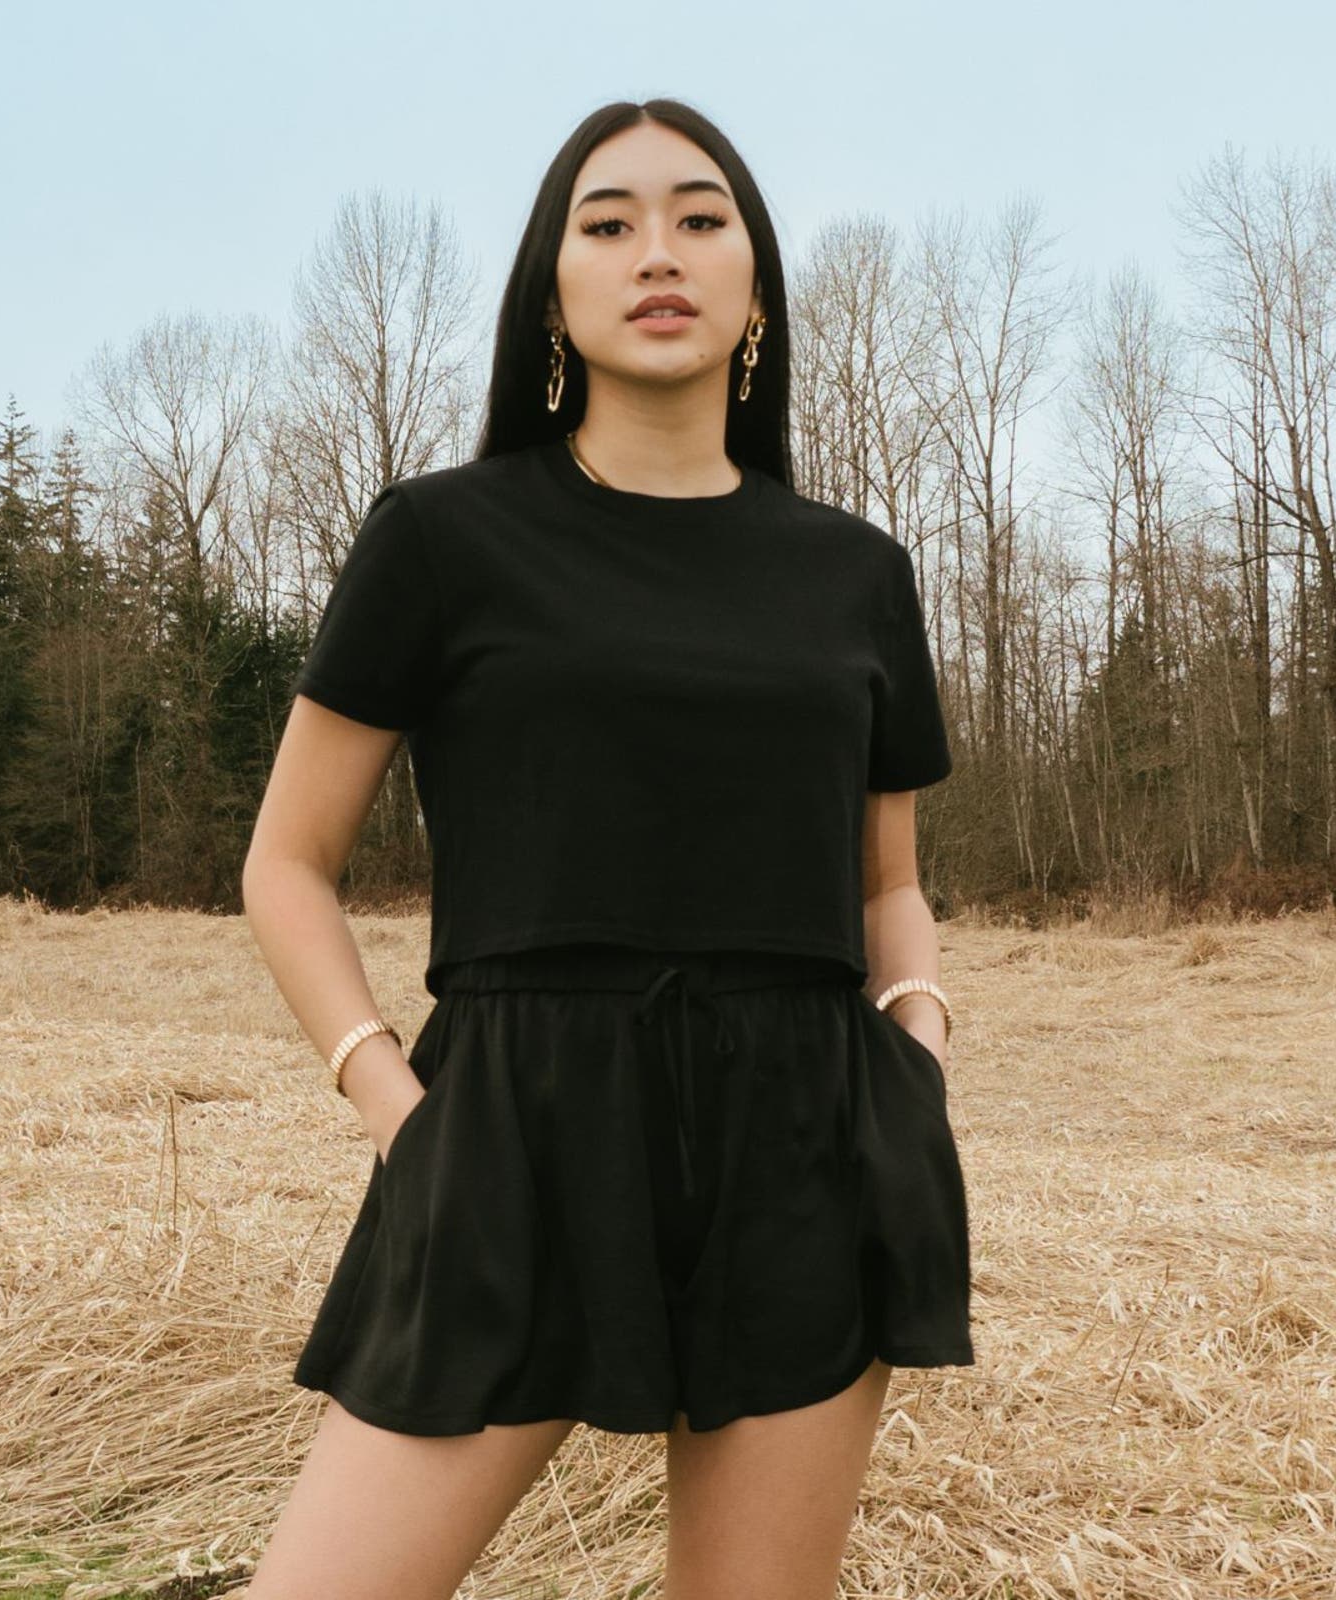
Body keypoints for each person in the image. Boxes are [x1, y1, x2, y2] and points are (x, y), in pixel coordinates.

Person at [236, 96, 968, 1600]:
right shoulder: (442, 539)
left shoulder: (854, 574)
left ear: (755, 291)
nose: (660, 252)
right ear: (551, 289)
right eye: (610, 221)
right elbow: (286, 862)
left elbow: (887, 880)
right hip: (516, 1125)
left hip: (803, 1139)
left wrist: (916, 1055)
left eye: (703, 220)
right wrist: (395, 1098)